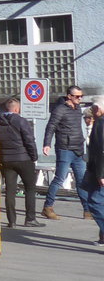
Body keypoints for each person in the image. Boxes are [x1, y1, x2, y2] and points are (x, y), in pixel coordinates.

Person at [41, 85, 91, 220]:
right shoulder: (60, 109)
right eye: (77, 96)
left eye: (81, 96)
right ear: (69, 96)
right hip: (65, 149)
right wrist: (46, 144)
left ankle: (87, 211)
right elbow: (50, 127)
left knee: (82, 181)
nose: (80, 99)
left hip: (78, 150)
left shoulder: (78, 109)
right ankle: (47, 207)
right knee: (59, 178)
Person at [0, 98, 43, 228]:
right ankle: (30, 219)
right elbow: (29, 140)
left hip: (6, 160)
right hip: (24, 159)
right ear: (16, 109)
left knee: (10, 190)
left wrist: (0, 160)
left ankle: (12, 221)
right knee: (30, 189)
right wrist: (33, 156)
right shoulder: (21, 121)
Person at [82, 97, 104, 245]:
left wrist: (100, 174)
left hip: (99, 170)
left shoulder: (100, 124)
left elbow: (101, 150)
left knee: (95, 202)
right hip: (97, 169)